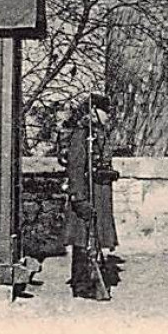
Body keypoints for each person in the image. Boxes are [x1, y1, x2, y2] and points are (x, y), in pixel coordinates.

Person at [60, 91, 120, 300]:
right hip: (86, 195)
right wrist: (79, 198)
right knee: (82, 240)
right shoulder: (81, 135)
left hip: (99, 194)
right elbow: (75, 168)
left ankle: (90, 281)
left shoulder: (99, 135)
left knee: (92, 240)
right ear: (95, 112)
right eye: (105, 111)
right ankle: (82, 284)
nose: (108, 116)